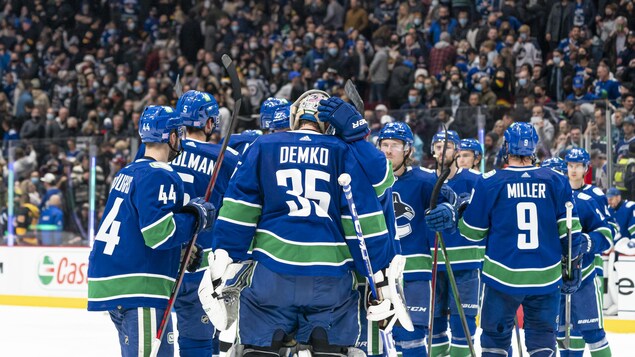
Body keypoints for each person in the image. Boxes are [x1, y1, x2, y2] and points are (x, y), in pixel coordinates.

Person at [199, 90, 412, 356]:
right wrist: (378, 275)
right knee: (330, 346)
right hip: (331, 279)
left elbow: (239, 210)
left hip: (272, 275)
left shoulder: (264, 146)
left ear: (295, 116)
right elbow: (364, 220)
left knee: (259, 346)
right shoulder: (344, 151)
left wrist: (225, 256)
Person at [87, 105, 216, 357]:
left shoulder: (127, 171)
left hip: (115, 282)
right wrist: (196, 217)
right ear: (170, 136)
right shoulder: (161, 174)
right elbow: (158, 233)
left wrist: (179, 251)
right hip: (139, 289)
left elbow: (134, 228)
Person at [458, 122, 584, 356]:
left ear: (506, 147)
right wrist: (572, 268)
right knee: (543, 341)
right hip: (546, 276)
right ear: (533, 148)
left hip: (502, 277)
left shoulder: (489, 181)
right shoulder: (556, 180)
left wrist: (462, 209)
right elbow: (571, 233)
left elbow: (471, 232)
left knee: (494, 341)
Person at [170, 90, 240, 357]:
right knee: (199, 340)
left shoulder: (164, 149)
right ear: (210, 123)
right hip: (203, 264)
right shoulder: (227, 158)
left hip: (164, 258)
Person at [377, 121, 456, 357]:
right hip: (378, 273)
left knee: (410, 338)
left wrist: (447, 213)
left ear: (408, 150)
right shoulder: (367, 180)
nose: (388, 151)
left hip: (414, 273)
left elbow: (451, 203)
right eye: (384, 145)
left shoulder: (424, 179)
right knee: (375, 342)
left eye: (394, 145)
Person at [429, 130, 482, 357]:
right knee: (435, 324)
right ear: (432, 151)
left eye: (448, 147)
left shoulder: (475, 180)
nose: (442, 151)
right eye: (438, 147)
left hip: (467, 263)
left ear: (457, 151)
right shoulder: (425, 180)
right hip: (431, 263)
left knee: (463, 324)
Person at [558, 148, 613, 356]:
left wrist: (587, 243)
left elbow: (608, 231)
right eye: (570, 165)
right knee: (565, 334)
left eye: (578, 166)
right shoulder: (556, 194)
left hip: (587, 273)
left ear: (585, 168)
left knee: (593, 331)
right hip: (559, 276)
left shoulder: (593, 196)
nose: (573, 170)